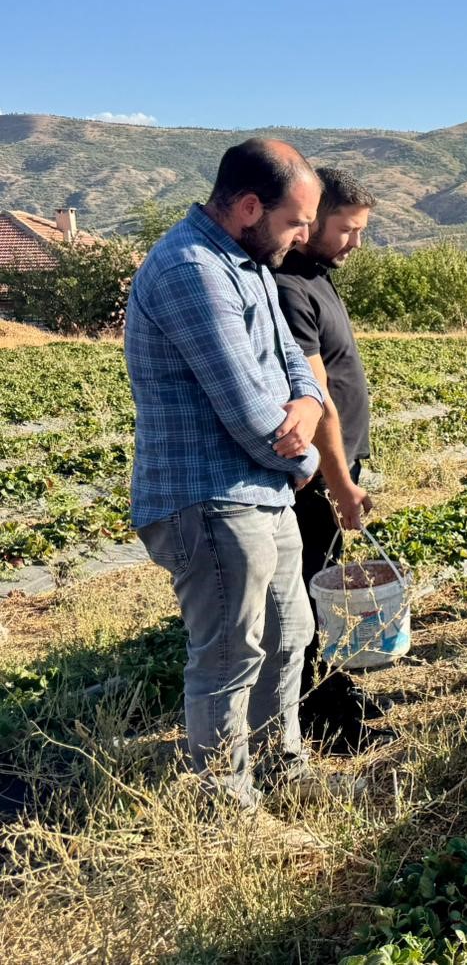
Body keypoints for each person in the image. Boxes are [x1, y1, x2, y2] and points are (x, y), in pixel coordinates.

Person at [125, 139, 328, 813]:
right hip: (208, 497)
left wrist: (306, 411)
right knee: (229, 656)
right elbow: (248, 410)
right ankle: (226, 806)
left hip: (259, 492)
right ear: (248, 207)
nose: (305, 236)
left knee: (289, 633)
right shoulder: (192, 270)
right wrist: (307, 460)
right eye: (297, 221)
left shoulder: (252, 267)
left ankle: (282, 772)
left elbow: (297, 371)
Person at [272, 166, 388, 754]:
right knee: (313, 588)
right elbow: (315, 399)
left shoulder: (317, 275)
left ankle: (335, 690)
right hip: (318, 469)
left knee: (329, 585)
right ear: (314, 220)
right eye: (347, 229)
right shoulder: (290, 287)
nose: (355, 242)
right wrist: (340, 482)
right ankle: (318, 713)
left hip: (339, 464)